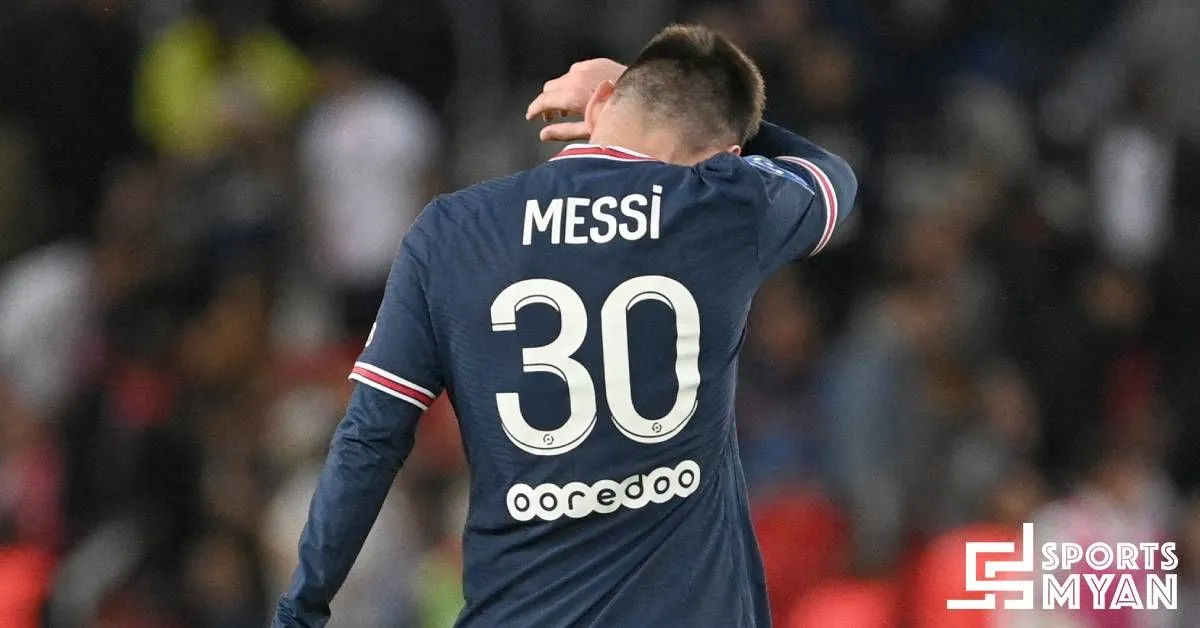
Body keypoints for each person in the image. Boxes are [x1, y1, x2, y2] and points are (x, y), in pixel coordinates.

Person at [273, 24, 857, 627]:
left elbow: (370, 440)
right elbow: (832, 175)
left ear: (599, 105)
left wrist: (301, 610)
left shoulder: (450, 231)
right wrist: (726, 118)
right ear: (727, 158)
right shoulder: (726, 205)